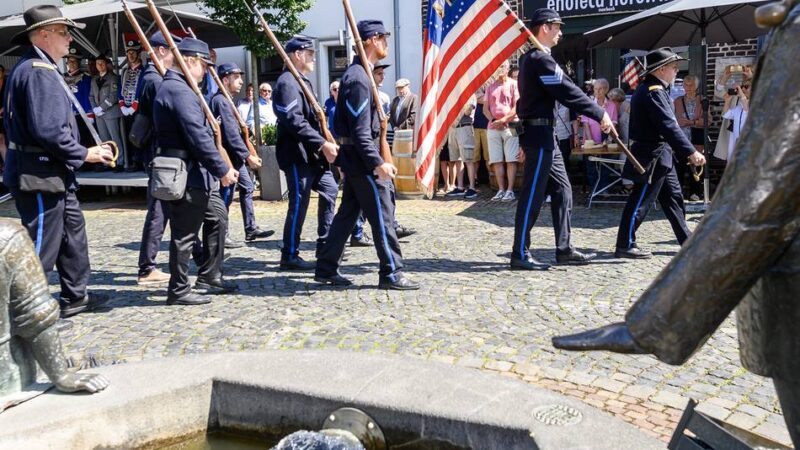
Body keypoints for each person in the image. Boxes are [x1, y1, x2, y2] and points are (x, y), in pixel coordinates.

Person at [3, 5, 115, 317]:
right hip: (38, 173)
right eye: (64, 33)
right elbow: (49, 130)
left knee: (72, 237)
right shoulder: (38, 72)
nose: (70, 40)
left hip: (49, 171)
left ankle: (75, 297)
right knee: (42, 246)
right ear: (43, 34)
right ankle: (19, 314)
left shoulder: (38, 68)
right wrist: (86, 153)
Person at [315, 20, 419, 290]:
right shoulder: (359, 78)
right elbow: (361, 132)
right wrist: (378, 163)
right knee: (383, 217)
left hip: (356, 157)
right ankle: (392, 272)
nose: (386, 43)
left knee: (347, 214)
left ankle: (326, 266)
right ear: (372, 40)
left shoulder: (360, 74)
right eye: (384, 38)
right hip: (364, 160)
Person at [512, 8, 610, 270]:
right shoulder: (538, 59)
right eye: (557, 27)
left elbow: (563, 87)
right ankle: (520, 252)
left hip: (547, 134)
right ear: (545, 27)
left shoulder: (537, 58)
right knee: (532, 195)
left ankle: (564, 248)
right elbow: (566, 90)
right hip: (539, 134)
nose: (560, 33)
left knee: (563, 190)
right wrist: (598, 112)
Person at [152, 37, 239, 305]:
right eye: (203, 65)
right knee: (184, 234)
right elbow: (198, 136)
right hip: (186, 174)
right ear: (189, 61)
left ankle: (209, 276)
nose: (205, 71)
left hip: (193, 172)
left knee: (217, 217)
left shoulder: (179, 88)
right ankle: (178, 290)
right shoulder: (179, 90)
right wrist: (223, 168)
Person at [614, 47, 706, 259]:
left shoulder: (655, 90)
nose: (677, 72)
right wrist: (691, 152)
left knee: (674, 197)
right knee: (641, 200)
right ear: (662, 69)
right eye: (674, 68)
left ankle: (686, 239)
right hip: (652, 154)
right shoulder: (653, 91)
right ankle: (625, 243)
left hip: (662, 154)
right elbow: (668, 126)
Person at [273, 36, 339, 270]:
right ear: (297, 55)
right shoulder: (287, 82)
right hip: (296, 154)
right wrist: (322, 143)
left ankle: (324, 242)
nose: (313, 58)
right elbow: (294, 121)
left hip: (311, 155)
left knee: (330, 189)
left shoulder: (302, 81)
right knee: (298, 203)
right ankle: (289, 254)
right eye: (309, 54)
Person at [211, 63, 273, 250]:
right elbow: (230, 135)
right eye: (236, 78)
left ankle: (250, 228)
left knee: (247, 187)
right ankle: (223, 234)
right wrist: (248, 156)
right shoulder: (221, 101)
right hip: (228, 159)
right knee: (225, 197)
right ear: (224, 80)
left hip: (234, 157)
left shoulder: (227, 100)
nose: (240, 81)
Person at [135, 31, 181, 286]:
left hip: (161, 153)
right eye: (173, 48)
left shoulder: (155, 77)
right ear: (161, 50)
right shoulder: (154, 80)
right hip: (159, 153)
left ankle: (195, 253)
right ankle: (147, 267)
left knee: (171, 207)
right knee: (159, 210)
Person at [484, 60, 520, 202]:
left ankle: (510, 190)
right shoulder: (490, 86)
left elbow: (517, 106)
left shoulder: (514, 84)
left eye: (502, 66)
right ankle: (501, 189)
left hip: (511, 125)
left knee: (511, 159)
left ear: (507, 68)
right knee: (497, 160)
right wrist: (494, 121)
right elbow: (485, 108)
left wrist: (503, 120)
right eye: (497, 66)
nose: (499, 69)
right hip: (493, 127)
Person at [580, 78, 617, 191]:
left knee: (605, 166)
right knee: (591, 167)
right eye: (595, 89)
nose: (597, 92)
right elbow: (585, 124)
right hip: (591, 140)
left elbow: (614, 123)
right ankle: (594, 190)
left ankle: (603, 189)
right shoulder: (589, 104)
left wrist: (609, 139)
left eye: (600, 89)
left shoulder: (612, 105)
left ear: (606, 90)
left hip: (606, 141)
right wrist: (591, 141)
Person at [673, 75, 705, 201]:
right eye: (686, 85)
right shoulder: (677, 101)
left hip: (696, 136)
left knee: (696, 164)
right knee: (679, 165)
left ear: (696, 87)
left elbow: (708, 120)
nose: (688, 87)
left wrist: (692, 122)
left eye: (691, 85)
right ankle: (678, 192)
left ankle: (695, 192)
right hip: (681, 137)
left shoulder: (702, 100)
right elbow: (674, 119)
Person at [90, 54, 123, 171]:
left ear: (106, 64)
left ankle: (120, 162)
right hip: (99, 115)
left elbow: (113, 96)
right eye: (98, 64)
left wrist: (101, 108)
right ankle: (108, 162)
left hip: (111, 113)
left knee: (115, 139)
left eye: (102, 63)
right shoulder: (94, 79)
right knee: (104, 140)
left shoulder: (113, 78)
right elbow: (91, 96)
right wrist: (95, 109)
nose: (100, 66)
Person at [118, 39, 145, 171]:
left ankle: (140, 161)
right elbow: (120, 89)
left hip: (138, 109)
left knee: (139, 135)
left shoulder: (144, 71)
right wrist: (122, 104)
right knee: (129, 135)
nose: (131, 56)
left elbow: (141, 89)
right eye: (129, 53)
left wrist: (135, 105)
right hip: (126, 108)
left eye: (133, 52)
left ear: (139, 54)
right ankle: (133, 160)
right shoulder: (124, 72)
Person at [445, 96, 478, 199]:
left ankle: (472, 188)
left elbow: (468, 111)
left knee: (468, 159)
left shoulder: (470, 93)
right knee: (457, 159)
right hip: (453, 127)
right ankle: (460, 187)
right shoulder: (453, 93)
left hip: (465, 127)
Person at [63, 47, 93, 149]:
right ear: (67, 63)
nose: (71, 63)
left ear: (78, 63)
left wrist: (89, 113)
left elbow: (87, 96)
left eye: (74, 61)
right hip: (67, 114)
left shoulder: (86, 78)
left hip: (82, 115)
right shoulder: (61, 77)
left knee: (84, 140)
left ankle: (88, 164)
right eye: (69, 61)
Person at [721, 83, 750, 162]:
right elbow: (726, 115)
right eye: (742, 87)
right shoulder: (739, 106)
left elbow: (747, 108)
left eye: (746, 87)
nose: (743, 89)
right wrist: (727, 101)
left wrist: (740, 93)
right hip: (735, 140)